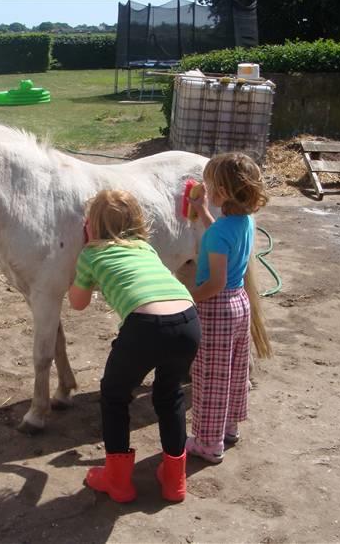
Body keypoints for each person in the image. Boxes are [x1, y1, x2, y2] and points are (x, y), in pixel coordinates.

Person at [68, 189, 201, 503]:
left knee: (115, 396)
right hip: (187, 318)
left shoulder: (91, 253)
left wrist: (85, 260)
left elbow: (77, 304)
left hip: (144, 326)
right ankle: (174, 480)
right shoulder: (145, 247)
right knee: (169, 396)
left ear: (92, 225)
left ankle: (117, 480)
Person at [187, 153, 268, 464]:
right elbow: (219, 237)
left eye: (210, 185)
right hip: (240, 304)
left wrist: (191, 297)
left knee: (210, 376)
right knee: (231, 372)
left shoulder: (222, 232)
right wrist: (202, 211)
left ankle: (208, 443)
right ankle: (229, 428)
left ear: (221, 191)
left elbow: (216, 282)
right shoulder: (241, 222)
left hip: (217, 308)